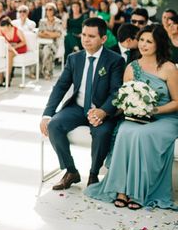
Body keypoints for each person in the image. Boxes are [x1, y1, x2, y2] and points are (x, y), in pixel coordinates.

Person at [85, 25, 178, 210]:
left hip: (165, 118)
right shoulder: (131, 68)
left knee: (142, 135)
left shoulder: (168, 68)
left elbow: (177, 101)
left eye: (149, 41)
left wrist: (155, 110)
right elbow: (123, 98)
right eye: (142, 40)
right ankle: (121, 190)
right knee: (125, 132)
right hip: (137, 118)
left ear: (158, 44)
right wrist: (129, 107)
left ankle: (138, 192)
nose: (143, 45)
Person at [40, 18, 125, 190]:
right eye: (84, 35)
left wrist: (103, 111)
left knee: (102, 133)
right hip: (77, 108)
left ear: (103, 39)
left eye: (91, 36)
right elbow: (61, 87)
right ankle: (71, 171)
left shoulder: (115, 60)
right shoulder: (74, 58)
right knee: (54, 125)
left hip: (101, 110)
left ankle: (93, 174)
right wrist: (47, 114)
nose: (86, 39)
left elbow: (117, 91)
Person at [0, 16, 27, 87]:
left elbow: (24, 42)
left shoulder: (17, 30)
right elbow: (2, 41)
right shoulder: (1, 31)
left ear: (9, 26)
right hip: (8, 48)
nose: (4, 31)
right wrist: (9, 46)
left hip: (19, 48)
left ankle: (8, 79)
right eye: (3, 29)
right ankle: (1, 80)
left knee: (9, 54)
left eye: (5, 29)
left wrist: (14, 46)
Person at [38, 3, 64, 80]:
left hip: (54, 44)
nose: (48, 11)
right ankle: (39, 72)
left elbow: (58, 34)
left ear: (54, 11)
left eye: (50, 9)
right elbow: (40, 33)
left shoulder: (58, 21)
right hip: (42, 43)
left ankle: (47, 72)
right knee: (39, 50)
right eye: (46, 9)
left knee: (47, 49)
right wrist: (51, 34)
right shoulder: (42, 21)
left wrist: (46, 32)